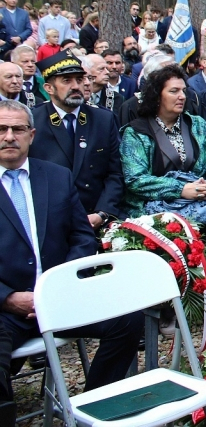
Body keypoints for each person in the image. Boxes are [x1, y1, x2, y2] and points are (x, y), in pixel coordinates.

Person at [0, 100, 143, 425]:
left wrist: (60, 286)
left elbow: (82, 237)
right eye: (2, 129)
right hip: (7, 308)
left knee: (127, 319)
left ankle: (90, 411)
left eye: (18, 129)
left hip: (60, 297)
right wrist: (8, 298)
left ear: (31, 134)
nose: (9, 136)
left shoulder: (55, 177)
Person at [120, 64, 206, 331]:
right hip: (158, 208)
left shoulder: (196, 125)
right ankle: (170, 308)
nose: (182, 96)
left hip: (203, 204)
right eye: (174, 91)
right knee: (170, 235)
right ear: (156, 96)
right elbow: (135, 179)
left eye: (183, 90)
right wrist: (180, 190)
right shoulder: (135, 132)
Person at [28, 50, 123, 226]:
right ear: (49, 88)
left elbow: (115, 172)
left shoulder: (103, 119)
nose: (76, 86)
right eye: (67, 80)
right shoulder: (33, 121)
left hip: (95, 218)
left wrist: (103, 213)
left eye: (79, 80)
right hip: (49, 220)